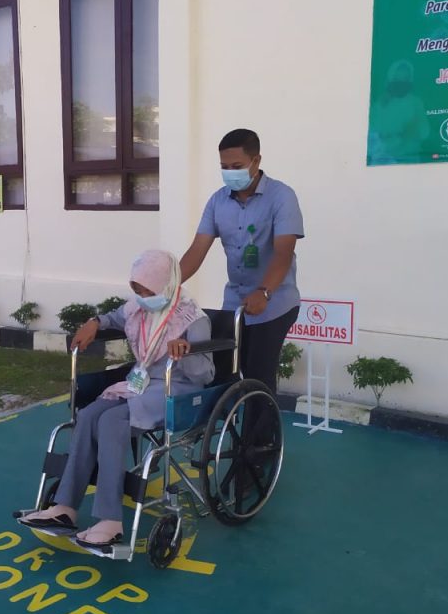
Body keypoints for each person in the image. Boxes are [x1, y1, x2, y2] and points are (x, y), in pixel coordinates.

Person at [18, 250, 214, 548]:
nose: (141, 296)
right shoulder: (137, 309)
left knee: (111, 421)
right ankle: (65, 508)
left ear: (166, 285)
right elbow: (114, 317)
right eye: (136, 289)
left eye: (147, 290)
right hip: (140, 383)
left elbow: (205, 375)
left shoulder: (192, 319)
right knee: (88, 415)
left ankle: (110, 520)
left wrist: (185, 350)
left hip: (177, 389)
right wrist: (94, 321)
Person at [180, 128, 303, 408]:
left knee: (257, 377)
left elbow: (284, 253)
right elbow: (197, 250)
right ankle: (231, 438)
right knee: (223, 373)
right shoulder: (217, 201)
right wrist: (168, 286)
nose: (229, 173)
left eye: (236, 167)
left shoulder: (282, 197)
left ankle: (259, 447)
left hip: (274, 302)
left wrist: (264, 291)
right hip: (234, 302)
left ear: (256, 161)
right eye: (224, 167)